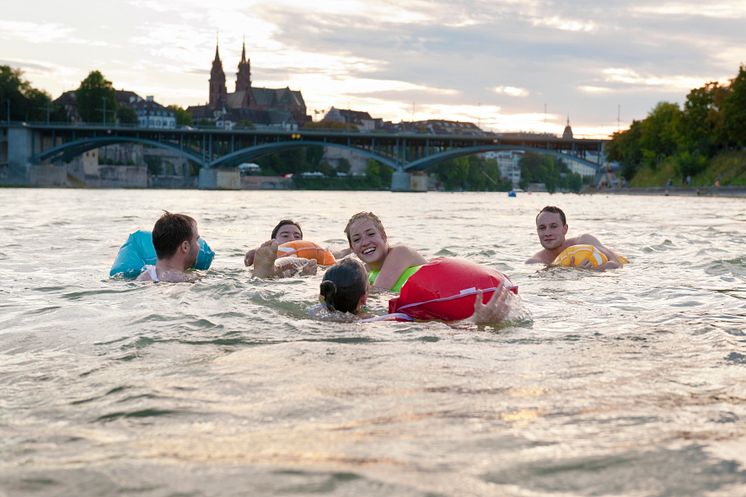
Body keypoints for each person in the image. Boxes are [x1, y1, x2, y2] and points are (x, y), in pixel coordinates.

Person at [318, 258, 513, 325]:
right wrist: (477, 321)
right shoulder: (386, 321)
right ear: (364, 297)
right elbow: (441, 328)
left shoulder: (317, 314)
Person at [344, 212, 427, 291]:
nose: (365, 242)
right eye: (357, 239)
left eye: (371, 234)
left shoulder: (401, 253)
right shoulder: (363, 272)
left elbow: (380, 291)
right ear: (352, 248)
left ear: (383, 236)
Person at [526, 205, 622, 270]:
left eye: (553, 226)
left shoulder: (584, 241)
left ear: (565, 229)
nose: (547, 233)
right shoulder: (535, 262)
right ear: (537, 231)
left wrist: (594, 270)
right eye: (542, 228)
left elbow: (616, 263)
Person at [136, 212, 202, 283]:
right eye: (196, 240)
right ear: (185, 246)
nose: (199, 246)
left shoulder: (144, 277)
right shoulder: (187, 279)